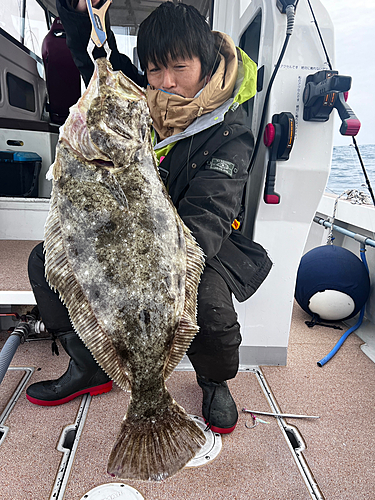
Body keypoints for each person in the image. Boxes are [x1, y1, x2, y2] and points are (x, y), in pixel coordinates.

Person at [25, 1, 272, 434]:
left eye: (179, 67)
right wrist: (79, 12)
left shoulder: (230, 128)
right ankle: (90, 365)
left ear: (207, 62)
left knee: (208, 300)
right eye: (154, 70)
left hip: (199, 241)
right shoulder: (142, 100)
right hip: (126, 230)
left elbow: (210, 216)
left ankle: (214, 381)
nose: (166, 83)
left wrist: (144, 271)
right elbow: (98, 61)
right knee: (44, 263)